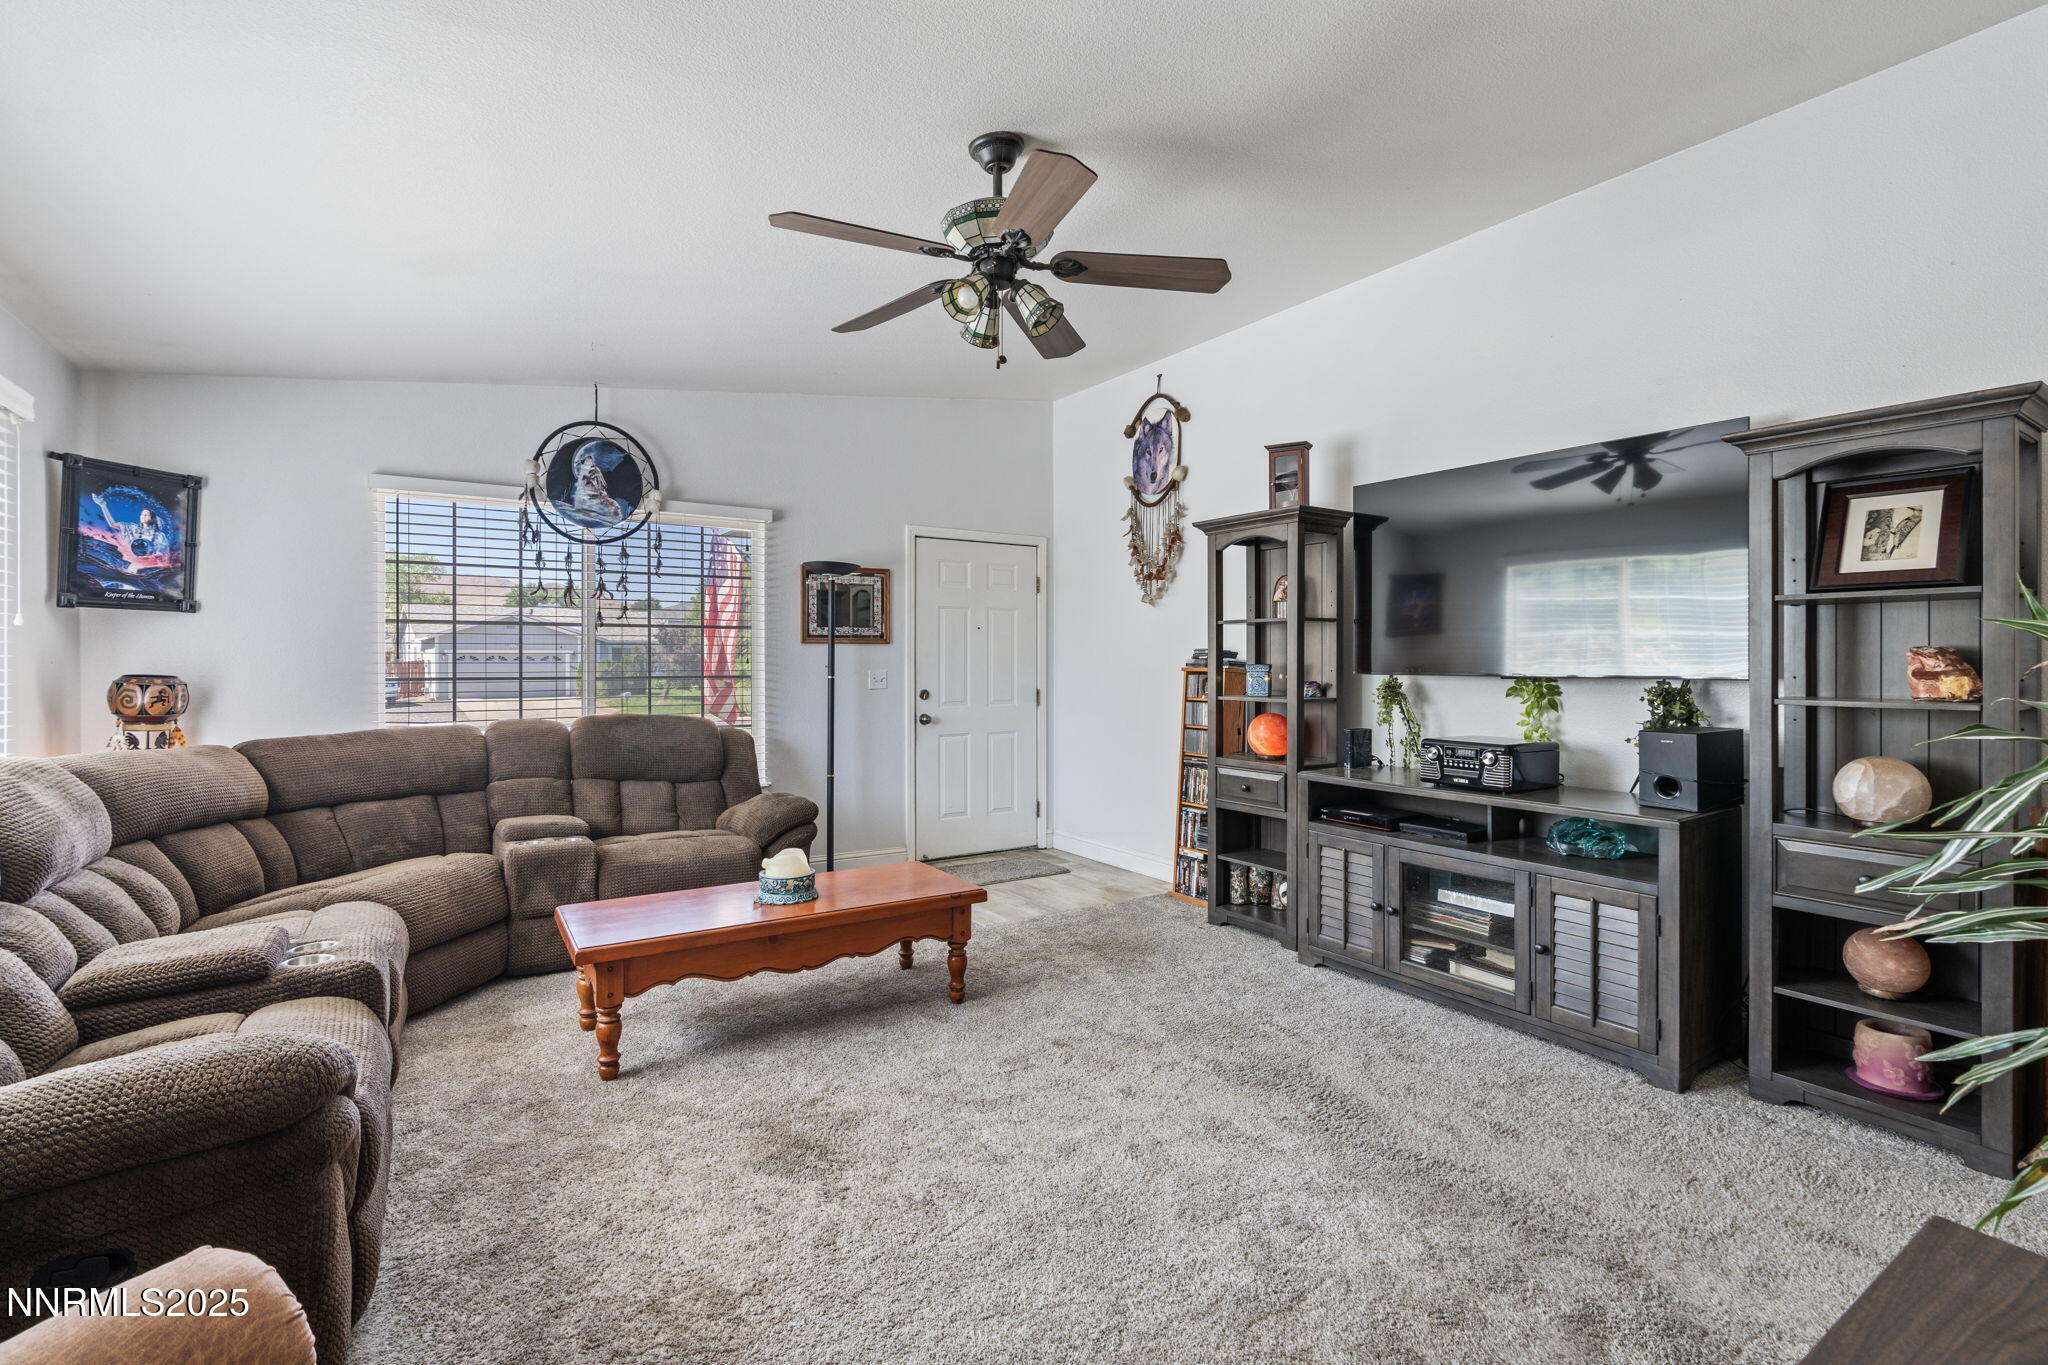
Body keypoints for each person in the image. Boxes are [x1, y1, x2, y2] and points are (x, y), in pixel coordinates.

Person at [91, 491, 172, 561]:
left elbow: (163, 553)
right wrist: (103, 505)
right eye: (142, 514)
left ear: (152, 518)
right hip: (136, 562)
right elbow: (112, 524)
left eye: (146, 515)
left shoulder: (159, 536)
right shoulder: (132, 528)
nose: (143, 516)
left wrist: (156, 556)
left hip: (151, 564)